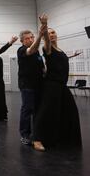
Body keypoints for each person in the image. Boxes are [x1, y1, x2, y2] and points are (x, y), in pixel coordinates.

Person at [32, 15, 82, 151]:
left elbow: (60, 60)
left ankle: (63, 137)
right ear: (44, 37)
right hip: (51, 85)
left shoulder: (60, 50)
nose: (51, 35)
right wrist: (45, 24)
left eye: (53, 32)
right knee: (46, 112)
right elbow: (47, 42)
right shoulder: (47, 48)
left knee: (69, 111)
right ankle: (37, 139)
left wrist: (72, 56)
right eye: (48, 33)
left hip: (62, 86)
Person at [17, 25, 46, 145]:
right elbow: (31, 50)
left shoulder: (37, 52)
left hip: (38, 84)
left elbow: (41, 66)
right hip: (27, 85)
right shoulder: (22, 50)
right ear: (22, 41)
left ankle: (36, 132)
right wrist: (40, 35)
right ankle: (24, 134)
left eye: (32, 37)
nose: (30, 40)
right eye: (27, 38)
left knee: (37, 109)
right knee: (27, 109)